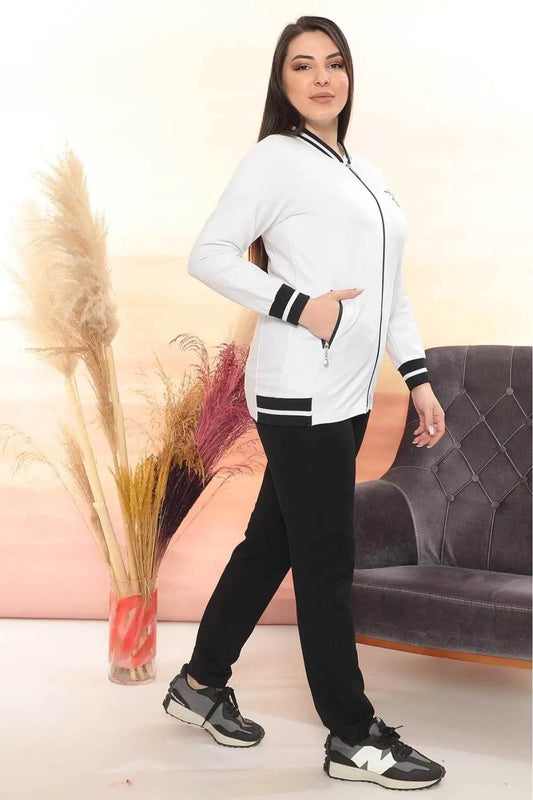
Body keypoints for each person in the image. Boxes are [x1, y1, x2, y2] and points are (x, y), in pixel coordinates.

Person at [162, 15, 446, 791]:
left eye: (333, 63)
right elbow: (209, 254)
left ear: (348, 77)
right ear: (281, 81)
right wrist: (300, 306)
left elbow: (388, 288)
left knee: (272, 544)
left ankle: (199, 683)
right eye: (301, 65)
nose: (321, 77)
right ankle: (351, 736)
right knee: (326, 564)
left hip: (345, 395)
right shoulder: (276, 158)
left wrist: (416, 375)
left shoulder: (363, 171)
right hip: (298, 391)